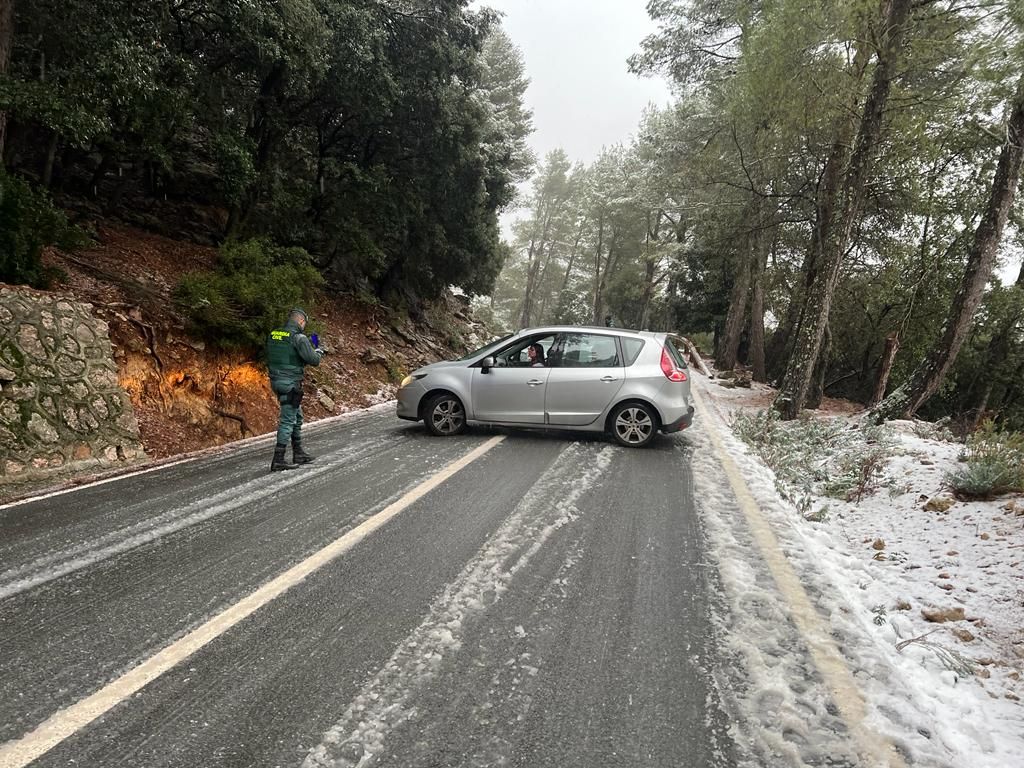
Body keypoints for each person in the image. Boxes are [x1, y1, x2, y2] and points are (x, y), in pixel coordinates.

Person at [266, 308, 323, 471]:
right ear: (301, 322)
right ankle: (278, 459)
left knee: (297, 416)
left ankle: (298, 453)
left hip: (276, 381)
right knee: (288, 420)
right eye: (305, 323)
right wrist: (318, 352)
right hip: (290, 383)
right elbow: (314, 360)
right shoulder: (299, 338)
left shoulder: (274, 334)